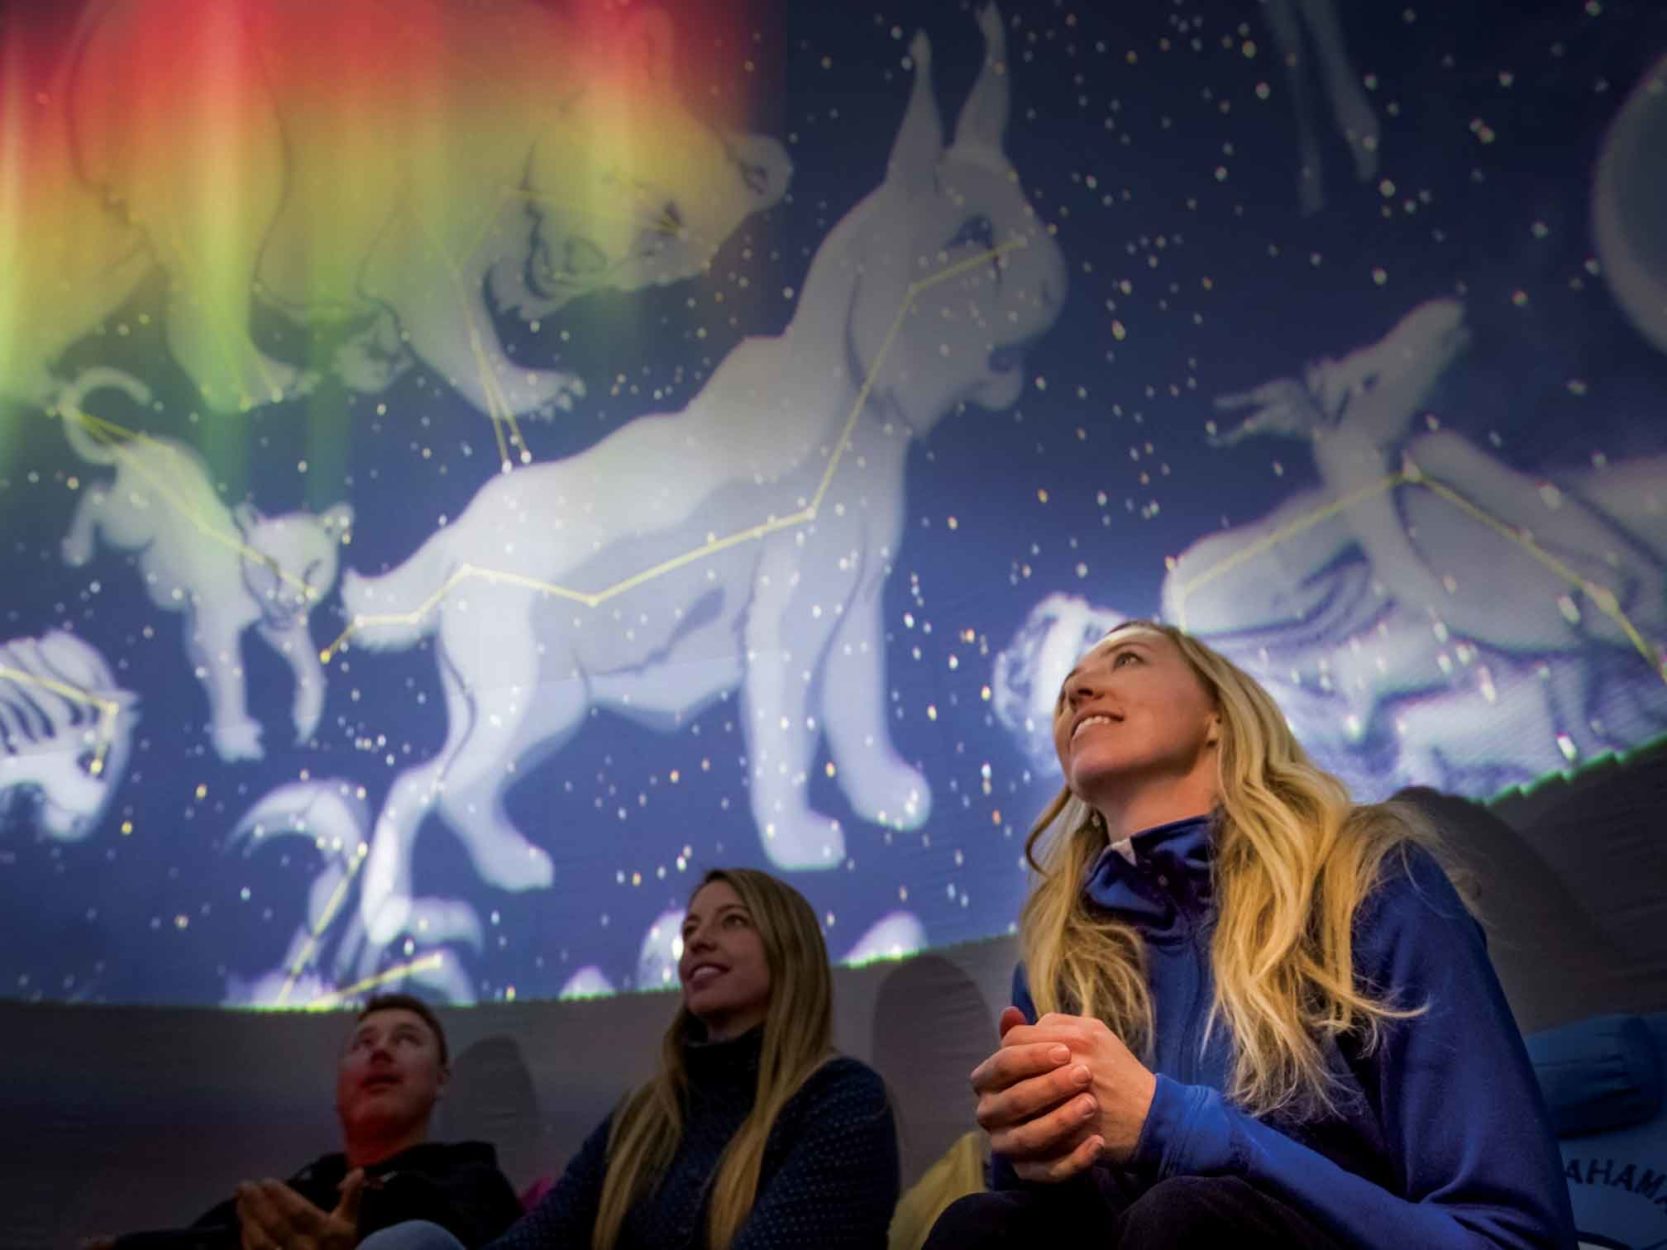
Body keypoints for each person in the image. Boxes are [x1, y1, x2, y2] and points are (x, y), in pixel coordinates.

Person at [926, 620, 1576, 1249]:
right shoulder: (1057, 967)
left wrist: (1178, 1127)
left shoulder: (1367, 882)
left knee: (1186, 1217)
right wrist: (1035, 1152)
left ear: (1218, 715)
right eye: (1068, 684)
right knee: (981, 1227)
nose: (1077, 691)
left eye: (1126, 660)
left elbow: (1509, 1235)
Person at [363, 867, 900, 1250]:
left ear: (791, 951)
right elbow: (542, 1236)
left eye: (732, 922)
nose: (699, 942)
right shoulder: (642, 1119)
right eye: (689, 931)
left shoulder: (842, 1101)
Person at [98, 993, 522, 1250]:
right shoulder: (291, 1194)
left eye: (406, 1039)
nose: (380, 1053)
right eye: (363, 1044)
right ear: (339, 1084)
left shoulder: (476, 1184)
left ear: (442, 1079)